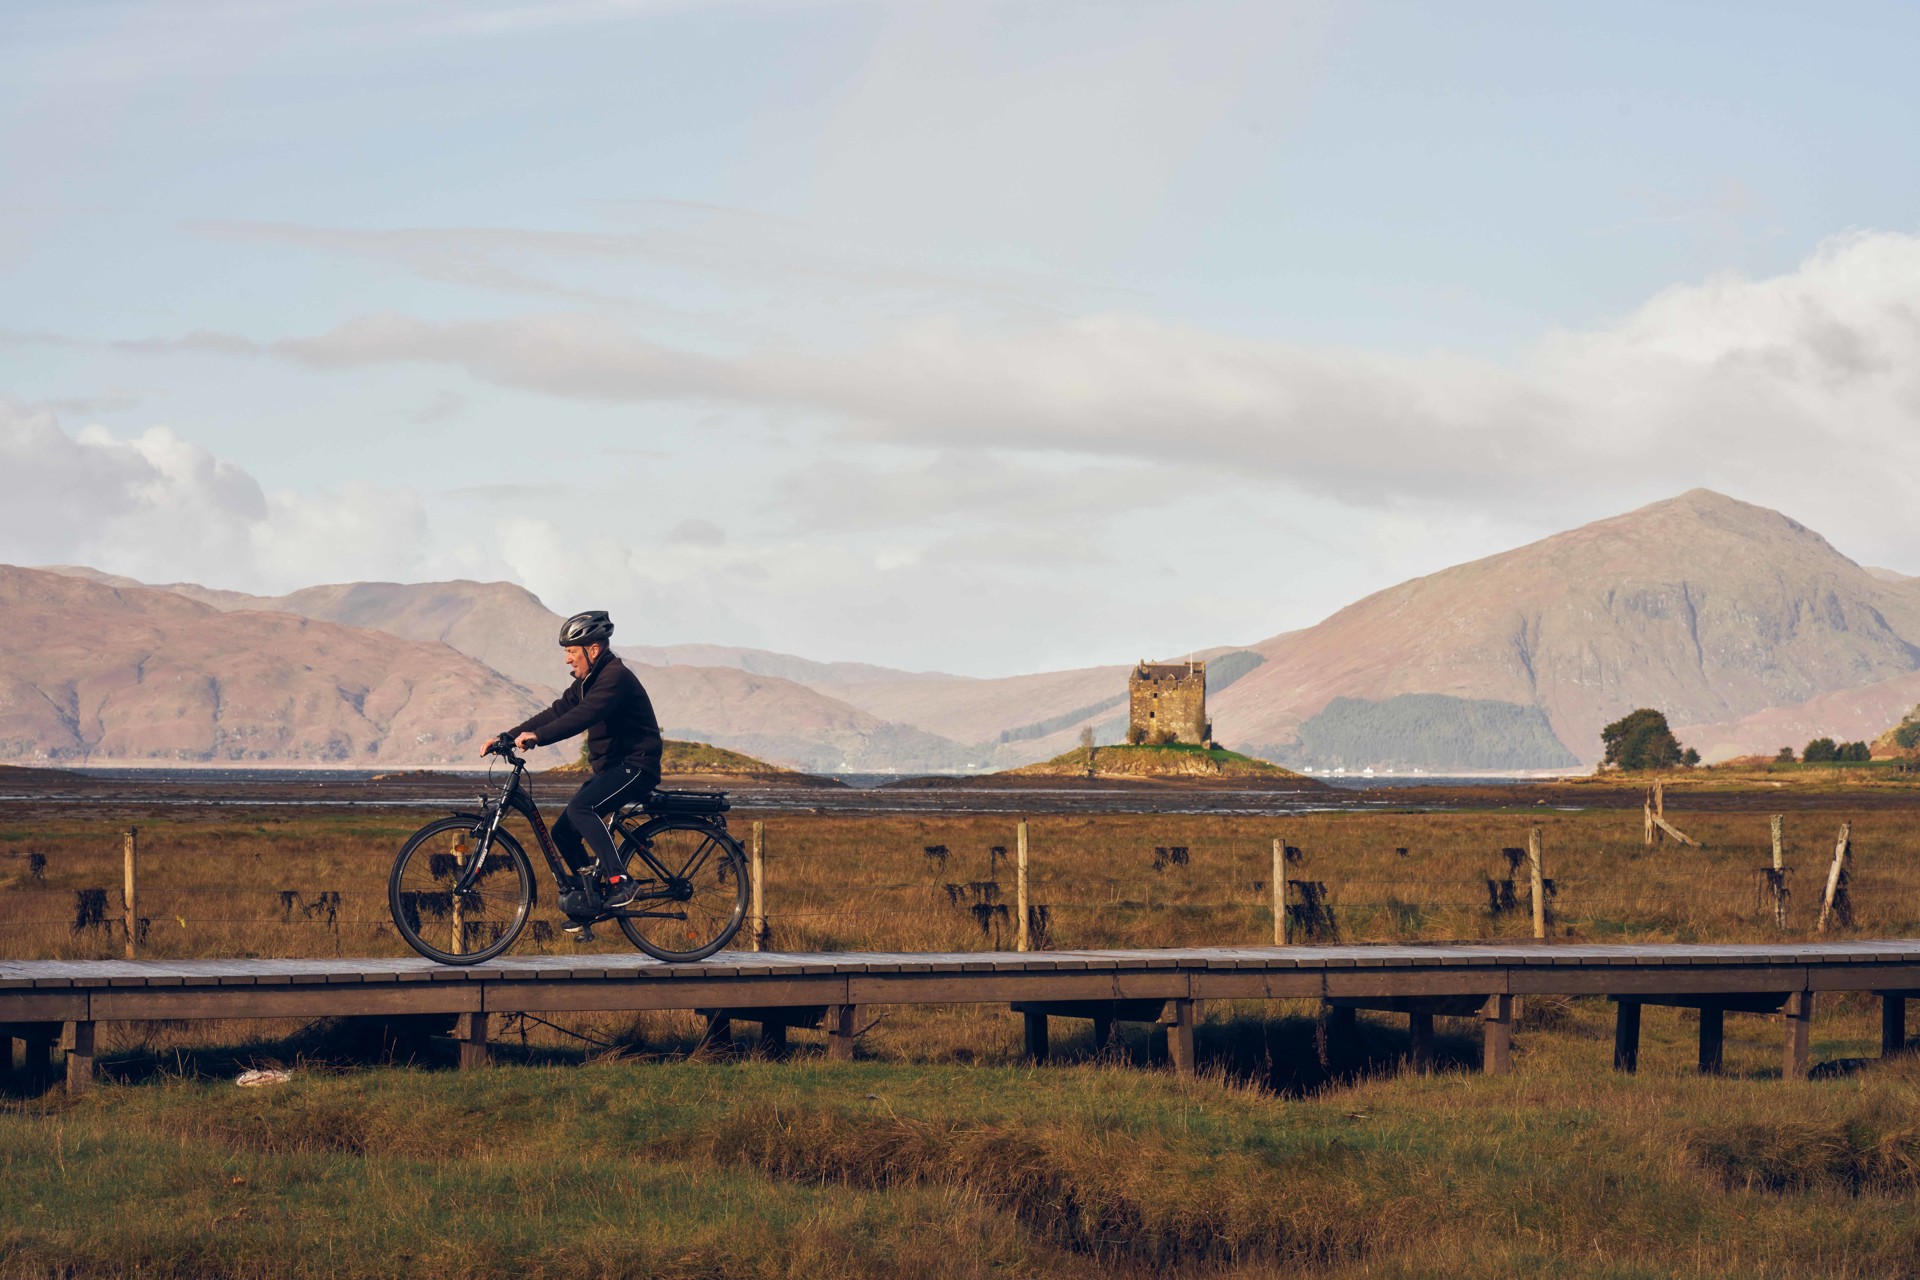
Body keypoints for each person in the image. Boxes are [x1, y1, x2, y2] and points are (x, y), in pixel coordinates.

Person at [489, 610, 663, 919]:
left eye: (571, 652)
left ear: (593, 649)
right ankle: (591, 901)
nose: (567, 659)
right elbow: (557, 711)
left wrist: (538, 738)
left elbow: (582, 717)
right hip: (613, 769)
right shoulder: (587, 682)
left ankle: (621, 881)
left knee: (583, 809)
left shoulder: (614, 678)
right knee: (563, 833)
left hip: (636, 766)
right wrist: (509, 735)